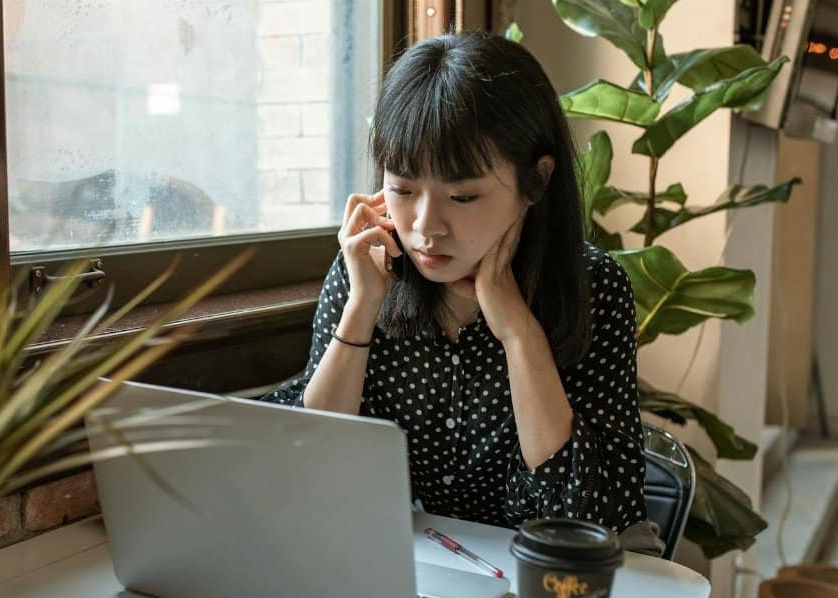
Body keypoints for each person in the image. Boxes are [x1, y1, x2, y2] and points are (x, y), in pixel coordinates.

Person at [259, 31, 646, 534]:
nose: (425, 226)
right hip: (425, 565)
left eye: (462, 197)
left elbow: (583, 520)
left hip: (550, 570)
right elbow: (308, 467)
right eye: (401, 188)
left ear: (538, 180)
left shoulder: (593, 288)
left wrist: (518, 332)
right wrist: (360, 308)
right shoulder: (370, 268)